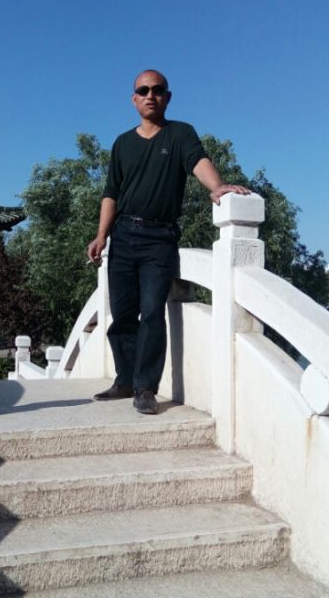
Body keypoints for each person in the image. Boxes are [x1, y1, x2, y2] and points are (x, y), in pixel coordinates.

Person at [87, 69, 250, 414]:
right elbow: (111, 194)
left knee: (152, 313)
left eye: (157, 90)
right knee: (122, 314)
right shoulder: (122, 143)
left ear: (167, 97)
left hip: (159, 238)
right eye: (143, 90)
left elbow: (198, 162)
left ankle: (146, 388)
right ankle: (125, 380)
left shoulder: (180, 134)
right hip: (123, 235)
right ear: (134, 99)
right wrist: (101, 235)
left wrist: (217, 186)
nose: (151, 95)